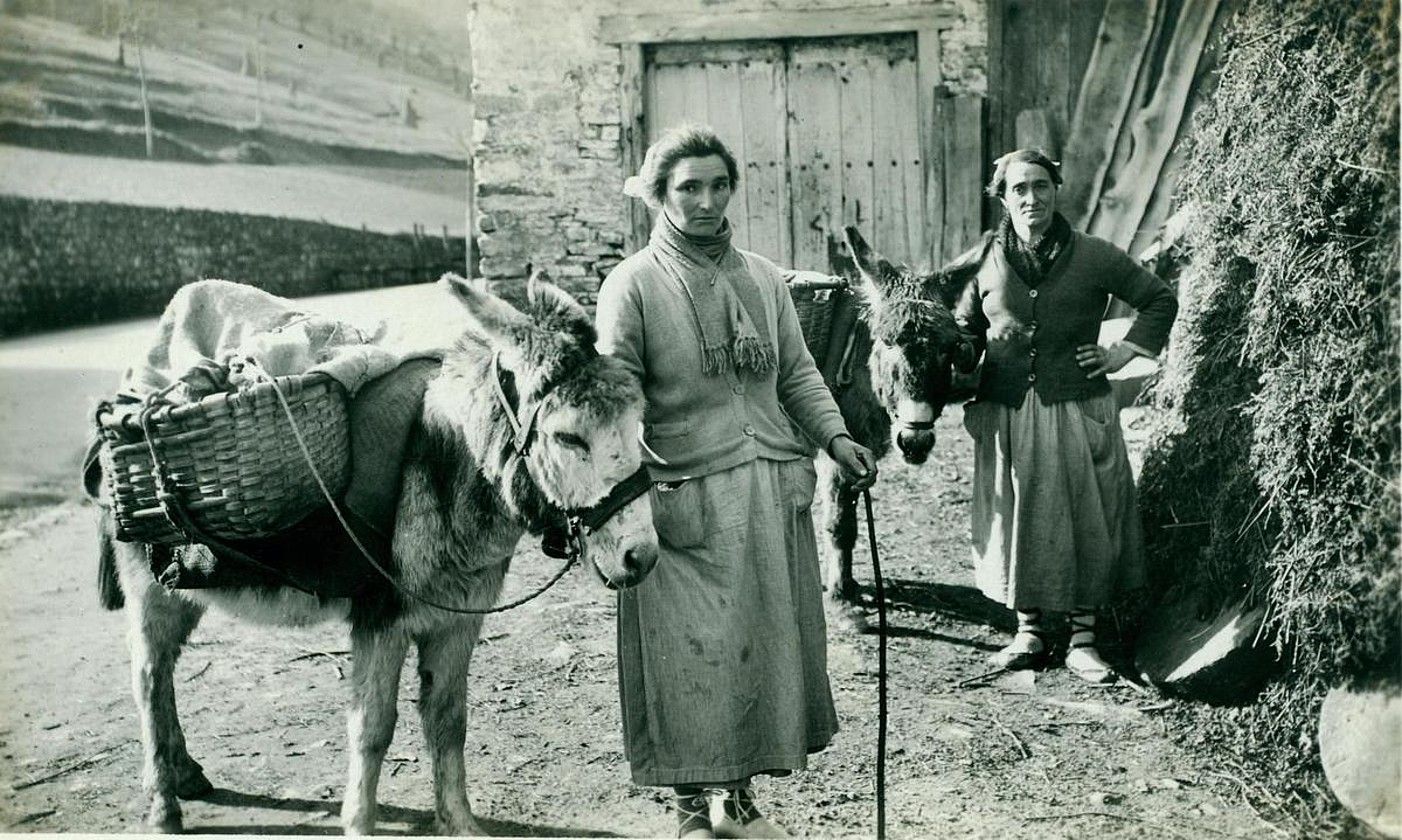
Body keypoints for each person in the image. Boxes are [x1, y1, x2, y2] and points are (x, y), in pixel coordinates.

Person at [595, 125, 878, 839]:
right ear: (660, 194)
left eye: (718, 185)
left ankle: (739, 803)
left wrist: (837, 439)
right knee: (693, 661)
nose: (705, 200)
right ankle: (693, 809)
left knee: (760, 651)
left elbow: (796, 372)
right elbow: (614, 405)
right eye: (688, 187)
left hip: (770, 491)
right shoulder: (631, 286)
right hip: (684, 502)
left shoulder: (761, 277)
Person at [953, 148, 1178, 684]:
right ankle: (1028, 631)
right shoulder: (981, 261)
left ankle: (1083, 639)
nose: (1032, 198)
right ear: (1003, 199)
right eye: (1019, 190)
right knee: (1019, 513)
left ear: (1057, 190)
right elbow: (963, 330)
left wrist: (1120, 353)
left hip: (1078, 406)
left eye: (1041, 186)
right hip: (1010, 411)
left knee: (1085, 513)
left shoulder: (1095, 255)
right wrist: (971, 353)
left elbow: (1158, 299)